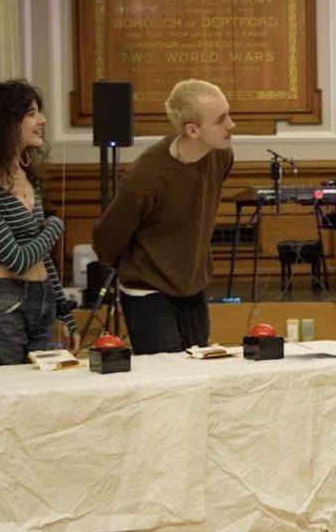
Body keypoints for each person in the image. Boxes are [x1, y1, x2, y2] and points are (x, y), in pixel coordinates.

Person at [92, 79, 234, 354]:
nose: (231, 124)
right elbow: (106, 238)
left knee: (198, 368)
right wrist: (138, 268)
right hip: (148, 290)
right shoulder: (146, 177)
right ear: (192, 130)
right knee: (165, 373)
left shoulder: (221, 156)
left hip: (191, 285)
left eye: (228, 115)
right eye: (220, 120)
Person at [0, 81, 81, 366]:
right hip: (3, 305)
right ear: (7, 123)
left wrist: (65, 313)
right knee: (6, 390)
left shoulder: (30, 178)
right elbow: (18, 260)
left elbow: (42, 258)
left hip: (42, 300)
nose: (42, 121)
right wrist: (54, 227)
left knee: (40, 389)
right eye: (32, 114)